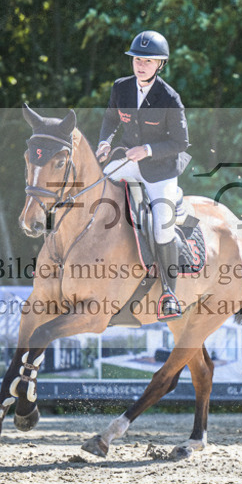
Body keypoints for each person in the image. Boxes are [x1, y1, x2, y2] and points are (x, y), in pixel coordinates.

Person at [97, 30, 190, 320]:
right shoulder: (121, 87)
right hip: (128, 158)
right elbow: (112, 117)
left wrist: (148, 150)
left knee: (163, 225)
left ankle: (169, 293)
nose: (140, 65)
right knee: (96, 188)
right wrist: (105, 141)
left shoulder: (170, 98)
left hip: (160, 167)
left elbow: (180, 143)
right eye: (137, 59)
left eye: (148, 61)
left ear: (160, 64)